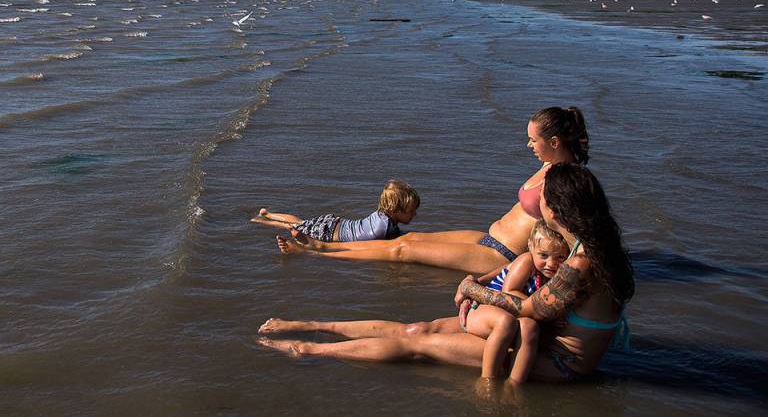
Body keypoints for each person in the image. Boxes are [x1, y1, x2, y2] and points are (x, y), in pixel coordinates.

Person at [257, 163, 634, 383]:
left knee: (416, 344)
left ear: (556, 207)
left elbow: (533, 310)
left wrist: (473, 289)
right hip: (541, 339)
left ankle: (308, 349)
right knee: (418, 328)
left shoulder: (584, 258)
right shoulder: (596, 243)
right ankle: (309, 325)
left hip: (557, 361)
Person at [275, 107, 589, 274]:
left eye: (534, 140)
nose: (529, 145)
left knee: (402, 251)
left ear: (555, 142)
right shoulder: (550, 166)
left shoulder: (567, 181)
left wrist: (575, 271)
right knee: (406, 238)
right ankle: (321, 245)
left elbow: (577, 234)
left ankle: (319, 250)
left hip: (500, 255)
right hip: (489, 236)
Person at [463, 220, 569, 381]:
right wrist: (544, 311)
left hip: (506, 314)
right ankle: (487, 380)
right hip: (481, 308)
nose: (551, 264)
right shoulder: (527, 261)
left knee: (530, 327)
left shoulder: (552, 273)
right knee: (505, 322)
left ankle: (515, 384)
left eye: (560, 257)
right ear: (531, 246)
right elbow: (509, 291)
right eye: (544, 255)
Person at [250, 179, 419, 242]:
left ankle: (268, 214)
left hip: (334, 222)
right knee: (293, 227)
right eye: (411, 211)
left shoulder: (381, 214)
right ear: (394, 209)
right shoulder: (385, 229)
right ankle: (259, 221)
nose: (414, 214)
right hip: (328, 233)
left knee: (300, 222)